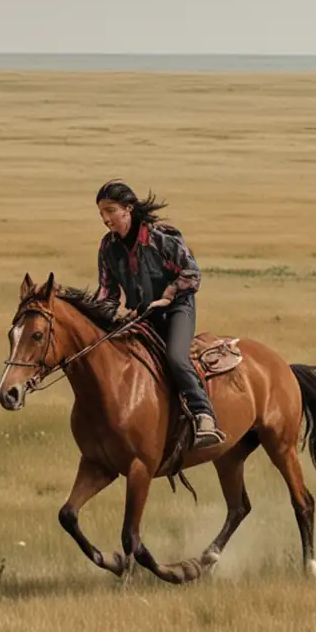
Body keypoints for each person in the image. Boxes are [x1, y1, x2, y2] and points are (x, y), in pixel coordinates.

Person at [93, 180, 223, 448]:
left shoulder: (161, 238)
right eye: (101, 213)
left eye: (111, 211)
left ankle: (203, 415)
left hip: (177, 309)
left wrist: (169, 293)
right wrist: (97, 321)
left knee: (176, 357)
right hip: (143, 315)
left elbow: (192, 273)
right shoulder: (108, 247)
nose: (106, 219)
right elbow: (108, 293)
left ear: (128, 209)